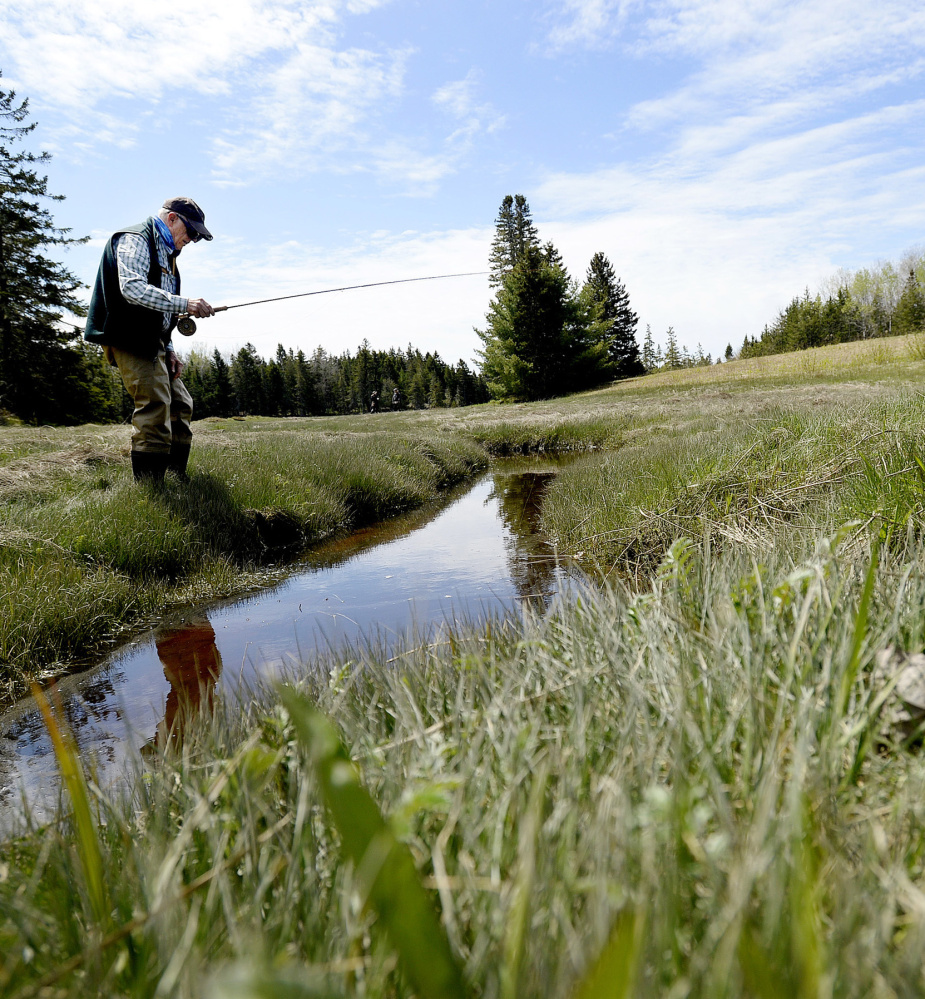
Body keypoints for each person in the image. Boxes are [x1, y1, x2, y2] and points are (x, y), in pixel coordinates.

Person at [84, 197, 215, 481]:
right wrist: (187, 304)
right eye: (191, 232)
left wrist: (169, 348)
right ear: (171, 219)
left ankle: (175, 477)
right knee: (155, 404)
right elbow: (132, 289)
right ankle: (151, 489)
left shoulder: (167, 254)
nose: (192, 240)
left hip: (153, 340)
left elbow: (161, 313)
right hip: (128, 336)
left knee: (180, 404)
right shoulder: (135, 239)